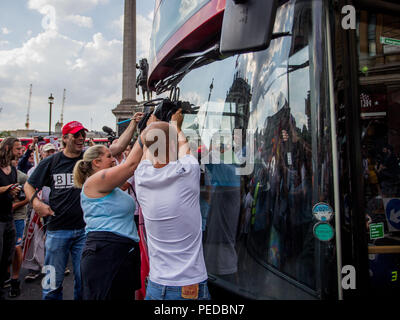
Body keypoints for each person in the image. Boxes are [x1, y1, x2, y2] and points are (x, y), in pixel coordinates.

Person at [135, 112, 210, 300]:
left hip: (156, 284)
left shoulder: (141, 177)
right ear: (172, 144)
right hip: (188, 287)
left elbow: (147, 150)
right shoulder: (187, 171)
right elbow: (184, 146)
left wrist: (150, 128)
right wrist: (176, 125)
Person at [73, 112, 143, 300]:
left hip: (120, 251)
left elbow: (119, 147)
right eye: (109, 157)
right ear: (96, 162)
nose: (114, 159)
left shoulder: (110, 184)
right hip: (106, 252)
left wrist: (135, 124)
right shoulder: (95, 181)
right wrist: (146, 134)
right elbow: (130, 165)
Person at [0, 137, 23, 300]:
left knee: (7, 256)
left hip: (9, 217)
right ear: (7, 148)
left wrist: (14, 193)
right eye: (17, 149)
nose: (20, 152)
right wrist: (8, 188)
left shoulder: (13, 169)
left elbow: (12, 191)